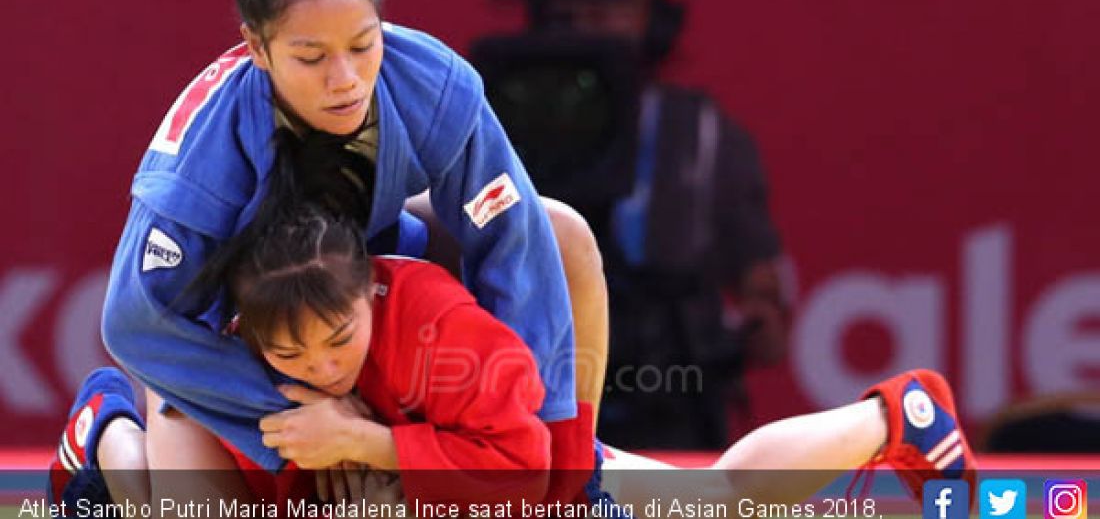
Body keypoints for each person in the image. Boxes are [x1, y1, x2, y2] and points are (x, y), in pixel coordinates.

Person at [86, 0, 607, 482]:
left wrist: (561, 472)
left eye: (363, 45)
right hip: (255, 333)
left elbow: (514, 242)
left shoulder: (430, 84)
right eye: (312, 58)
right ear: (257, 49)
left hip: (365, 276)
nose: (345, 79)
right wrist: (303, 419)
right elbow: (135, 324)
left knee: (557, 234)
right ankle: (102, 427)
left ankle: (587, 476)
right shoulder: (202, 159)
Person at [50, 202, 975, 511]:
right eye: (294, 350)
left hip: (521, 476)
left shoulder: (436, 326)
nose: (321, 364)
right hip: (370, 485)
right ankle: (107, 430)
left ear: (370, 295)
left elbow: (527, 465)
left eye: (338, 341)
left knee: (717, 505)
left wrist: (370, 448)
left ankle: (898, 416)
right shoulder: (243, 346)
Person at [540, 0, 788, 448]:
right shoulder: (519, 118)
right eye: (577, 8)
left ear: (651, 13)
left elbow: (762, 288)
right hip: (547, 387)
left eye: (613, 5)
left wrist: (763, 311)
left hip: (678, 392)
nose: (594, 22)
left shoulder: (703, 132)